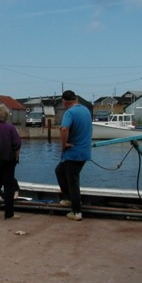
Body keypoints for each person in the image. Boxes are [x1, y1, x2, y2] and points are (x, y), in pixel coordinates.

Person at [55, 90, 92, 221]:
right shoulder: (86, 110)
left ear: (65, 101)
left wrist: (64, 144)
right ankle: (68, 198)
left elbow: (64, 128)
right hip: (85, 151)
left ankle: (76, 211)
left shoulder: (69, 112)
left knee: (73, 181)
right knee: (59, 171)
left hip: (73, 153)